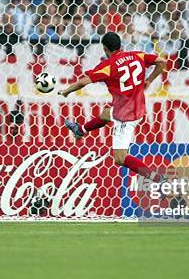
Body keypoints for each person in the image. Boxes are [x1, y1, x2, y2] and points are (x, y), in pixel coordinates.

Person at [58, 32, 167, 183]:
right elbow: (162, 62)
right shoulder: (137, 55)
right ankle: (80, 130)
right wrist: (148, 81)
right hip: (138, 108)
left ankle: (157, 179)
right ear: (120, 45)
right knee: (106, 114)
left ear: (104, 48)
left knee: (120, 158)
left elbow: (83, 82)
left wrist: (66, 91)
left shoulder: (109, 66)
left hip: (124, 117)